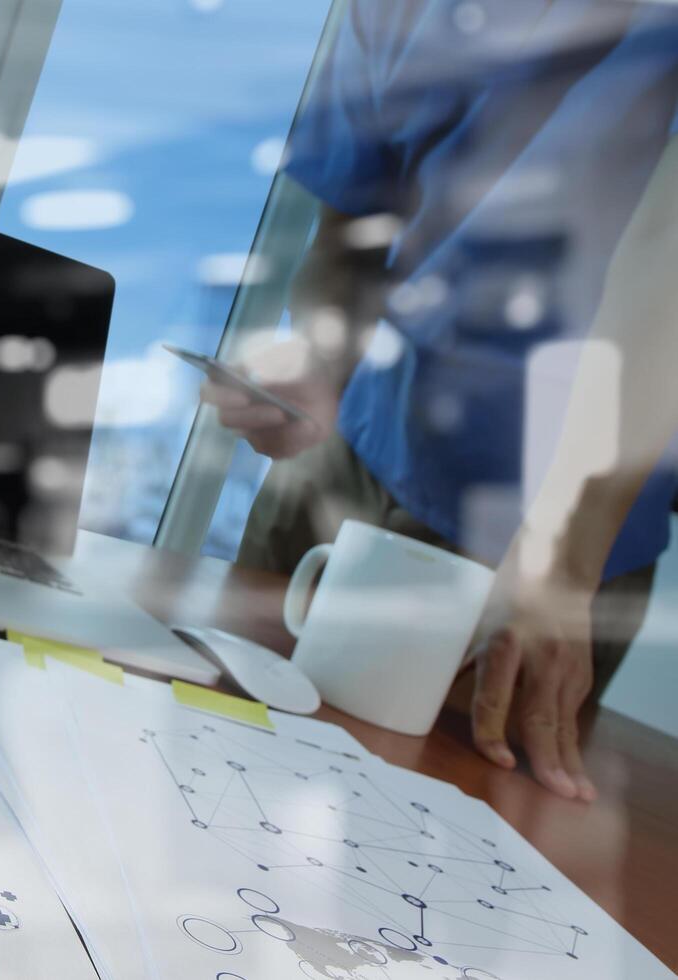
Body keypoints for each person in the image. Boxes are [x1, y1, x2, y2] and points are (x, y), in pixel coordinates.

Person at [203, 0, 678, 801]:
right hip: (343, 469)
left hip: (558, 536)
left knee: (427, 863)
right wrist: (319, 363)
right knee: (208, 765)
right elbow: (347, 232)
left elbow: (662, 286)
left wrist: (564, 561)